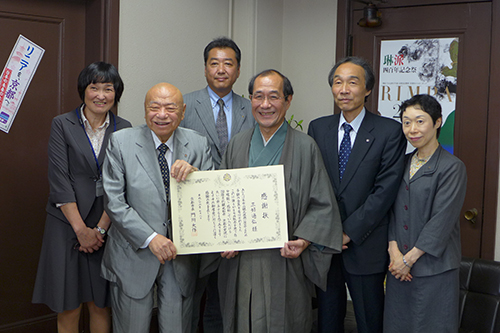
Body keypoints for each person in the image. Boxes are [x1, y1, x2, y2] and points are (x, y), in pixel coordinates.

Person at [203, 69, 343, 332]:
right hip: (241, 262)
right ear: (250, 100)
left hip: (285, 261)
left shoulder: (305, 147)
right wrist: (224, 238)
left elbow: (322, 204)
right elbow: (221, 201)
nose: (265, 105)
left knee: (286, 321)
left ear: (288, 101)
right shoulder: (237, 145)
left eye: (273, 97)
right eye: (258, 97)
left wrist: (303, 240)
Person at [100, 82, 213, 333]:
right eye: (154, 107)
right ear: (144, 110)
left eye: (170, 108)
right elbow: (114, 202)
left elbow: (211, 199)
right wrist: (151, 238)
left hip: (179, 257)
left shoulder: (197, 144)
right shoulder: (121, 142)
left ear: (183, 112)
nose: (162, 114)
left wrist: (196, 176)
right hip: (133, 254)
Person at [308, 56, 406, 333]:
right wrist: (326, 232)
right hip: (325, 245)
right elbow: (313, 183)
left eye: (353, 82)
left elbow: (384, 191)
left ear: (367, 89)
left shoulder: (389, 131)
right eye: (337, 82)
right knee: (327, 321)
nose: (344, 89)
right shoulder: (318, 128)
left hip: (365, 244)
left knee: (369, 321)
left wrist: (348, 232)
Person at [32, 61, 131, 333]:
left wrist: (99, 229)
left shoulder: (125, 128)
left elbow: (122, 183)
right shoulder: (62, 124)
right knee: (68, 303)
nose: (101, 95)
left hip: (106, 226)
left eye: (108, 88)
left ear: (116, 93)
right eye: (94, 87)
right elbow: (59, 180)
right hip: (66, 225)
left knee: (100, 303)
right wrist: (81, 230)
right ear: (83, 91)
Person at [180, 36, 255, 332]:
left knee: (228, 290)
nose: (221, 69)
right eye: (214, 63)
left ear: (237, 70)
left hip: (238, 212)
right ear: (205, 68)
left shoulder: (253, 109)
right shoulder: (183, 105)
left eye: (228, 63)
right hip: (197, 211)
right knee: (193, 289)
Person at [384, 94, 467, 332]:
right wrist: (394, 252)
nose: (412, 129)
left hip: (434, 268)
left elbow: (441, 222)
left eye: (420, 121)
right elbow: (391, 210)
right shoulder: (401, 163)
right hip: (398, 268)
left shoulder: (452, 167)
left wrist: (408, 260)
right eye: (406, 122)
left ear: (438, 121)